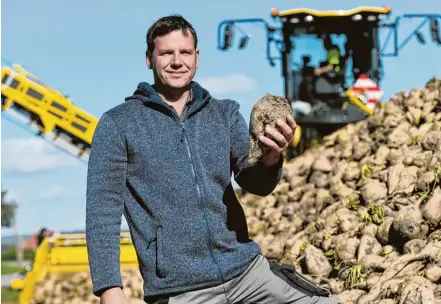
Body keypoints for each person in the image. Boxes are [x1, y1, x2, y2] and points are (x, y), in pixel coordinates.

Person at [85, 14, 339, 304]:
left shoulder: (224, 113)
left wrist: (271, 158)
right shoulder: (119, 124)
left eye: (185, 52)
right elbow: (101, 211)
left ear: (197, 57)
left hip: (248, 274)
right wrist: (110, 288)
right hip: (181, 290)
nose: (177, 61)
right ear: (149, 58)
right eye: (166, 53)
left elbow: (253, 182)